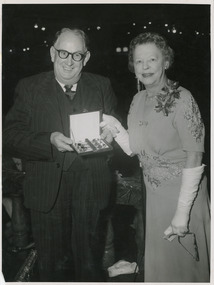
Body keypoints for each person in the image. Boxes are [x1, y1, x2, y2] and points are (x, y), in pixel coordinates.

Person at [3, 27, 118, 282]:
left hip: (91, 187)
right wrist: (49, 141)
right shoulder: (29, 87)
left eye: (76, 55)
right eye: (63, 52)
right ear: (52, 53)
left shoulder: (101, 85)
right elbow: (9, 135)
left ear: (86, 58)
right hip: (47, 190)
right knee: (52, 267)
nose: (69, 61)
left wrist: (113, 134)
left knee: (89, 263)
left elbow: (114, 125)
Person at [100, 32, 210, 282]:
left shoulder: (183, 98)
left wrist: (182, 213)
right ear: (133, 66)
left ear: (166, 61)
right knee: (162, 268)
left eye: (152, 59)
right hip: (154, 199)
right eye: (139, 61)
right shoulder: (138, 99)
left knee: (183, 268)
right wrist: (115, 127)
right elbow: (136, 149)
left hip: (183, 198)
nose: (145, 66)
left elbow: (194, 156)